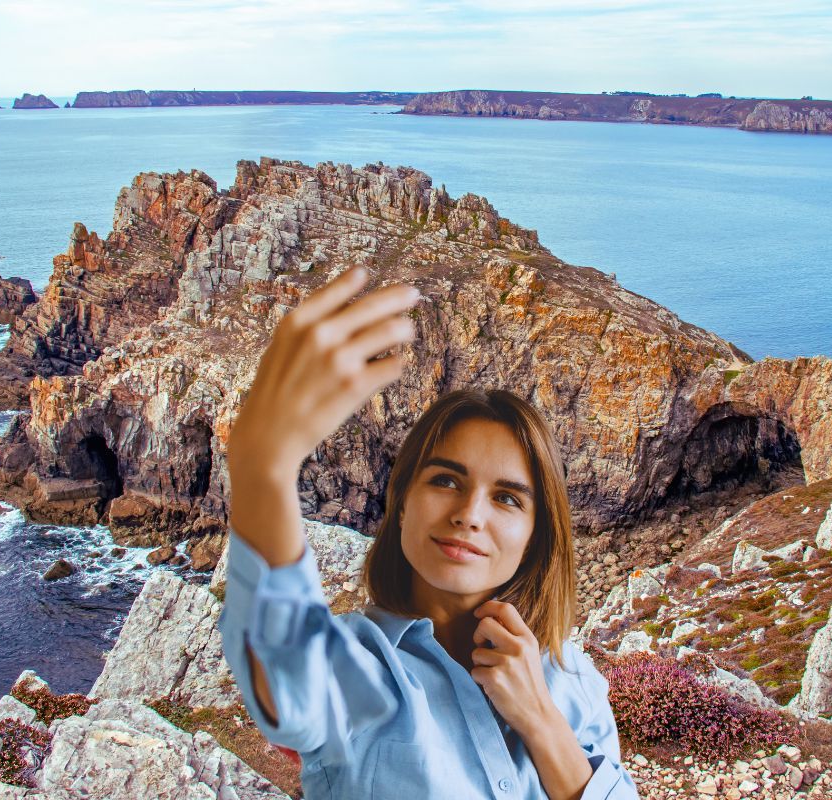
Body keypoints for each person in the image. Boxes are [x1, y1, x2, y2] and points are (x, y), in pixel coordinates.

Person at [219, 265, 640, 799]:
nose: (470, 514)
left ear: (537, 535)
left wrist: (539, 719)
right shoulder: (355, 664)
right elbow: (278, 673)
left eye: (507, 498)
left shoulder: (572, 676)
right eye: (446, 480)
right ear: (400, 505)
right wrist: (264, 472)